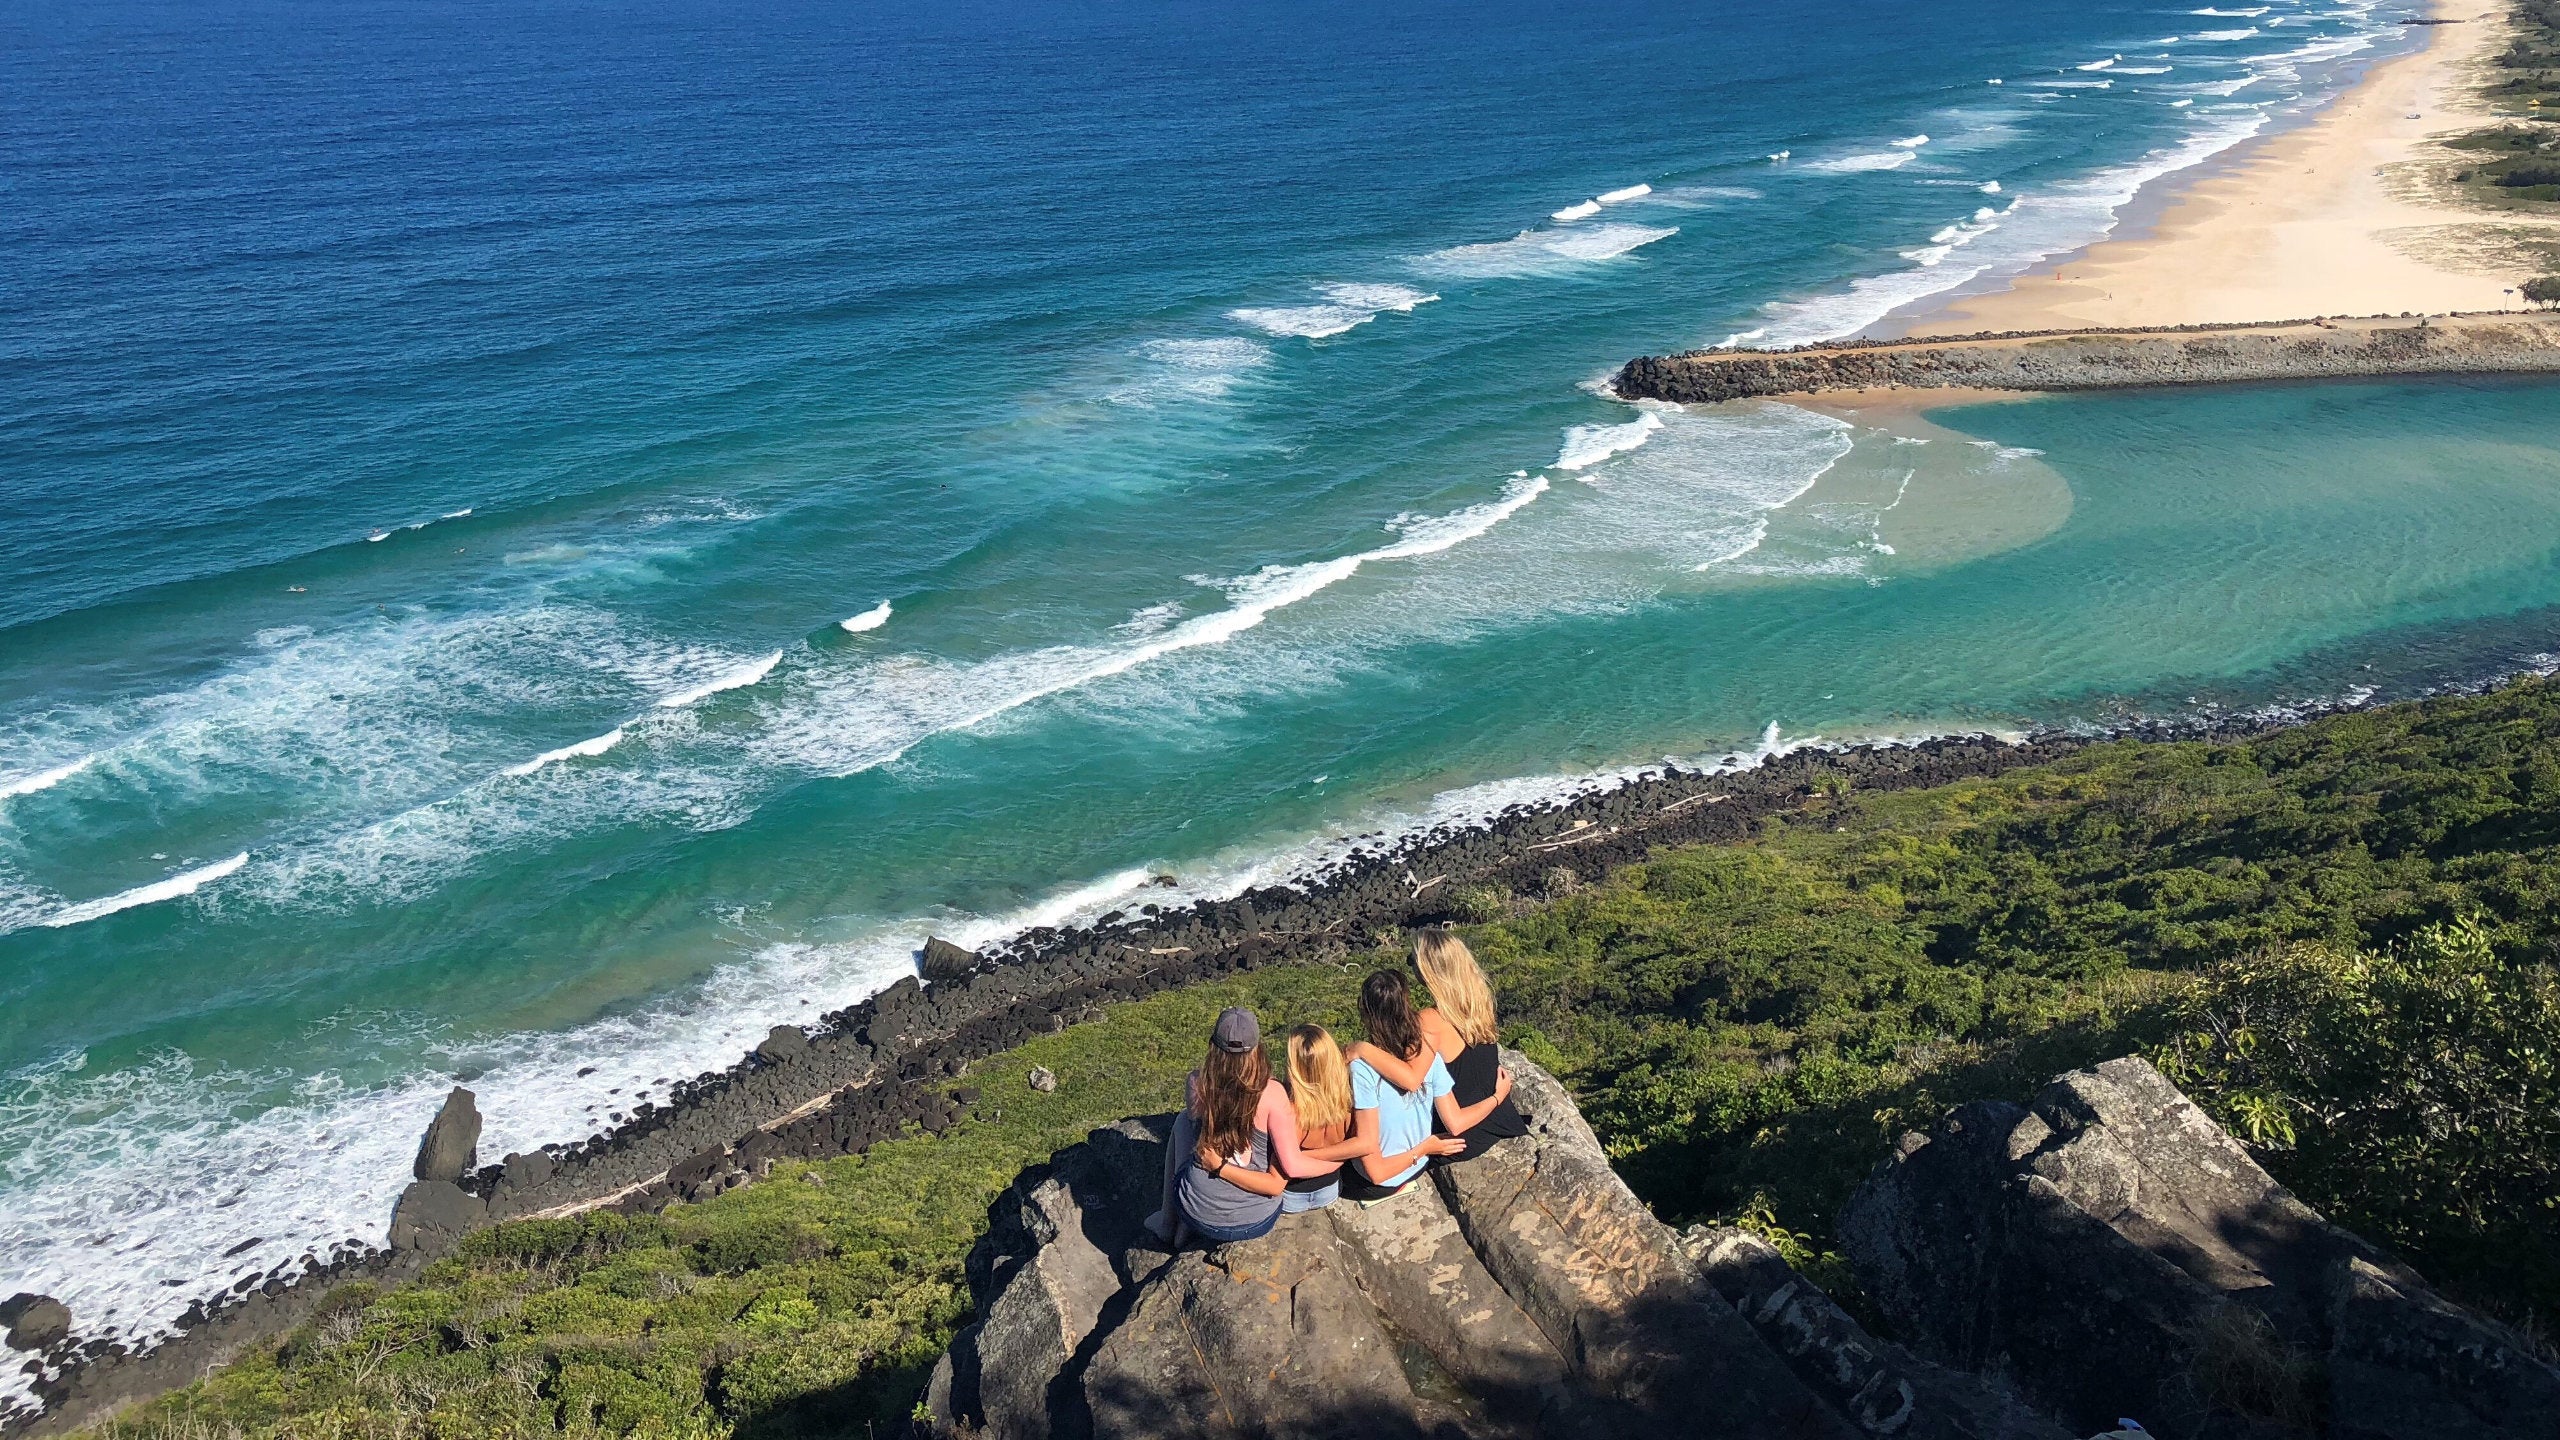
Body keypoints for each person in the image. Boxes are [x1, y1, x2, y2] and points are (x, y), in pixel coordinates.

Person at [1341, 970, 1512, 1203]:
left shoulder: (1361, 1069)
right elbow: (1456, 1122)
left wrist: (1423, 1149)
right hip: (1418, 1166)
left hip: (1382, 1181)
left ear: (1365, 1010)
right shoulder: (1427, 1056)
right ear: (1406, 1004)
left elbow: (1376, 1173)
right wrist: (1496, 1097)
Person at [1147, 1007, 1287, 1244]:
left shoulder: (1196, 1083)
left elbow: (1196, 1128)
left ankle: (1169, 1221)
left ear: (1213, 1046)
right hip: (1257, 1220)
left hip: (1198, 1212)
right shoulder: (1273, 1093)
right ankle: (1178, 1223)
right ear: (1256, 1049)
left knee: (1183, 1122)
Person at [1397, 929, 1529, 1160]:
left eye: (1413, 961)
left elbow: (1408, 1080)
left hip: (1459, 1137)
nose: (1412, 966)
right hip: (1495, 1120)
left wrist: (1363, 1051)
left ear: (1429, 970)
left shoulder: (1428, 1021)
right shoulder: (1479, 1001)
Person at [1268, 1024, 1376, 1212]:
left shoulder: (1288, 1106)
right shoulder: (1347, 1099)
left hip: (1292, 1194)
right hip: (1330, 1188)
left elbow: (1285, 1164)